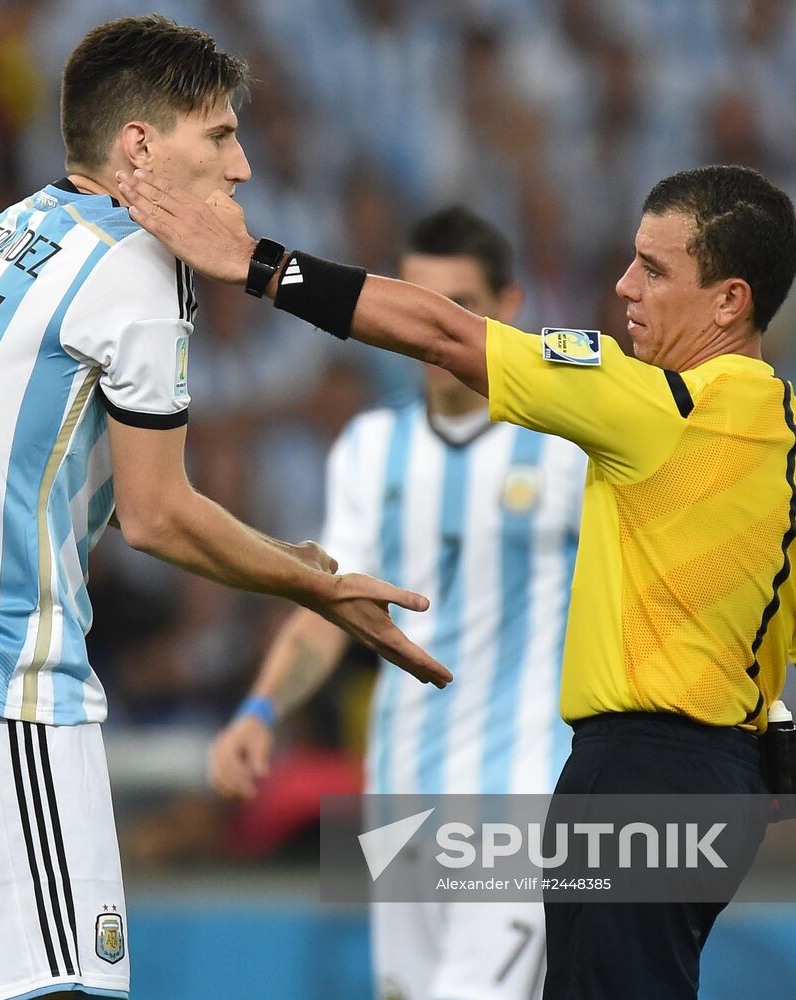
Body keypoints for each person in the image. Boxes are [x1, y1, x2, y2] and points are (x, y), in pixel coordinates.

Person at [115, 162, 796, 997]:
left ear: (729, 301)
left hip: (634, 782)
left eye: (653, 270)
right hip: (721, 795)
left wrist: (262, 264)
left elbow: (444, 334)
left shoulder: (660, 406)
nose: (623, 285)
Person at [0, 16, 448, 1000]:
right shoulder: (135, 263)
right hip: (0, 688)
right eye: (217, 136)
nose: (243, 166)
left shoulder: (14, 228)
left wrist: (271, 550)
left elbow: (85, 479)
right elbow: (162, 513)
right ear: (138, 148)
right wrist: (321, 586)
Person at [210, 205, 586, 1000]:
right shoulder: (369, 448)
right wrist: (260, 712)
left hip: (524, 796)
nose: (427, 328)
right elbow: (329, 607)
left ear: (508, 308)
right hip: (401, 798)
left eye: (458, 306)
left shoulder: (566, 450)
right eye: (413, 301)